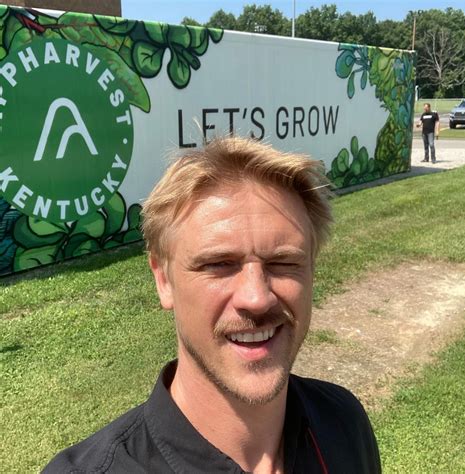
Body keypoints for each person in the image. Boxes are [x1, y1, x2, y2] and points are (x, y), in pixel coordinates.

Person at [43, 137, 381, 473]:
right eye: (219, 264)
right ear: (163, 280)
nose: (256, 297)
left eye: (283, 262)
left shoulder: (343, 422)